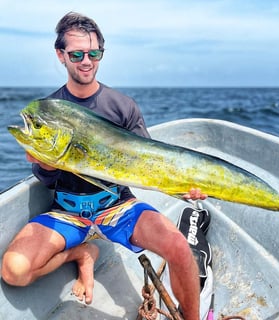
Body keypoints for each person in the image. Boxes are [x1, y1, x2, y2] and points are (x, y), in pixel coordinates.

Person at [1, 12, 207, 320]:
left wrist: (181, 186)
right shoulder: (51, 110)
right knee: (14, 271)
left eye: (94, 53)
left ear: (101, 53)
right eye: (77, 54)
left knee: (179, 248)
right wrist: (43, 164)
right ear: (61, 55)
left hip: (117, 206)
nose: (86, 61)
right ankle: (81, 254)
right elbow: (46, 180)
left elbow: (148, 162)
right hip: (67, 212)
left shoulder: (123, 106)